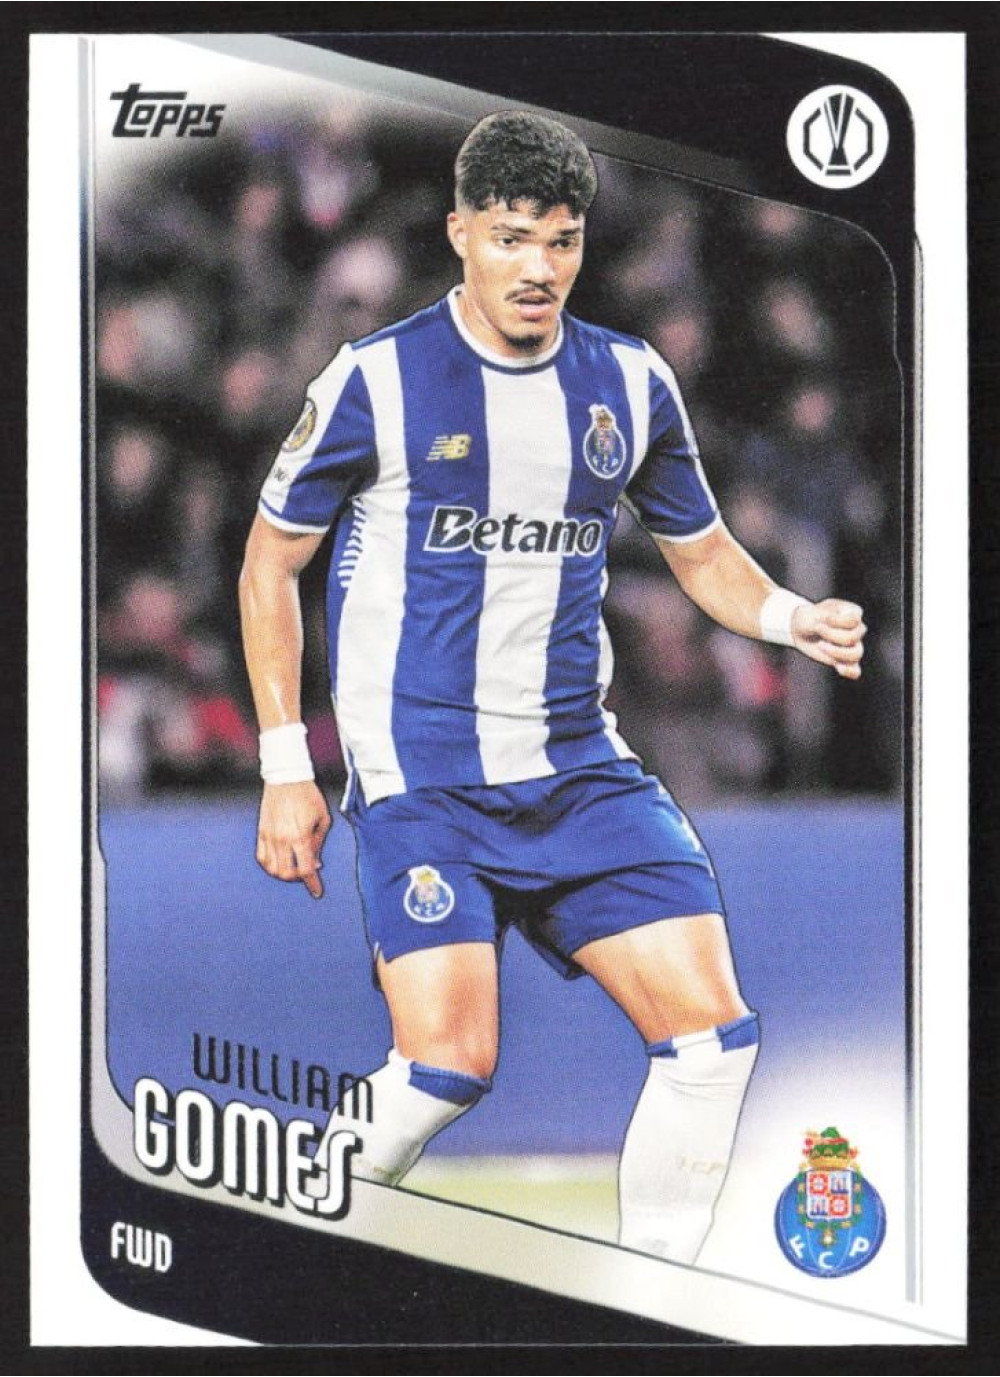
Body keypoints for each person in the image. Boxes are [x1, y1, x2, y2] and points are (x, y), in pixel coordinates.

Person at [239, 111, 866, 1265]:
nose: (538, 267)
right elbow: (269, 563)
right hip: (424, 780)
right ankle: (274, 1240)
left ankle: (653, 1307)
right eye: (512, 237)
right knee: (446, 1068)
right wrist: (288, 766)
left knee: (711, 1041)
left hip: (580, 770)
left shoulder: (629, 381)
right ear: (460, 235)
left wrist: (789, 616)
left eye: (562, 241)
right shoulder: (376, 380)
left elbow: (702, 553)